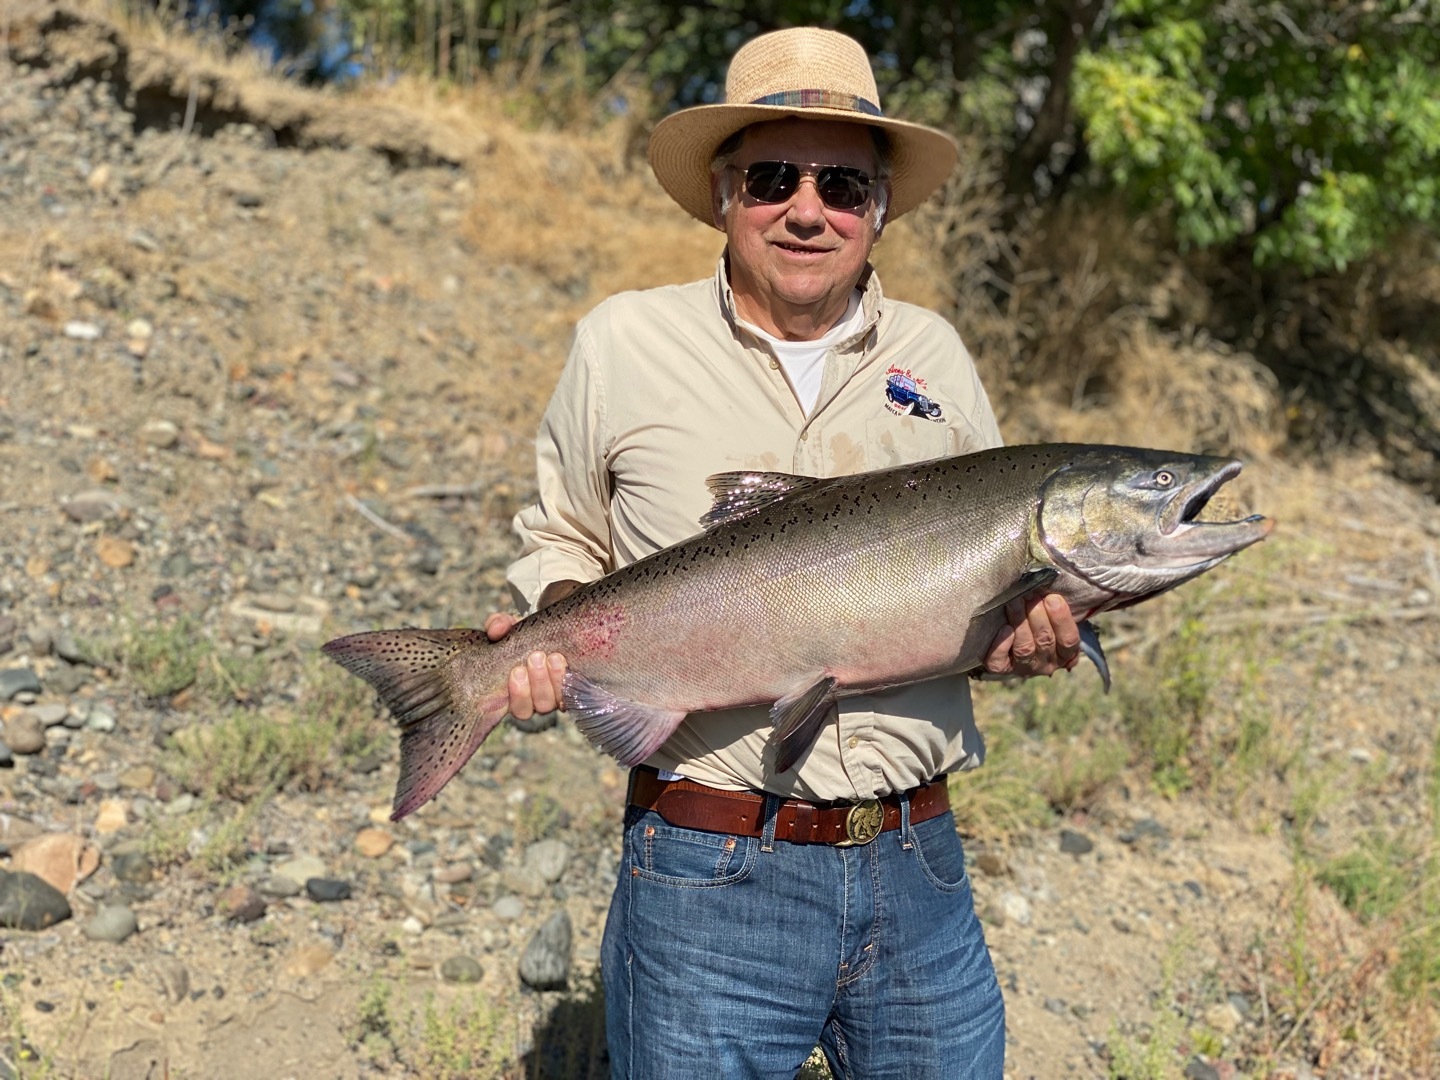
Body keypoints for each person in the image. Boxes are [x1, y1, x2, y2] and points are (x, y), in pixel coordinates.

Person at [484, 27, 1080, 1079]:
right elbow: (560, 533)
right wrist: (552, 637)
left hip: (918, 866)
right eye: (774, 177)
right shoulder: (622, 341)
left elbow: (981, 578)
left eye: (845, 186)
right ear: (723, 192)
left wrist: (1023, 639)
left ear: (880, 210)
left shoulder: (935, 355)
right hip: (705, 866)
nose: (809, 210)